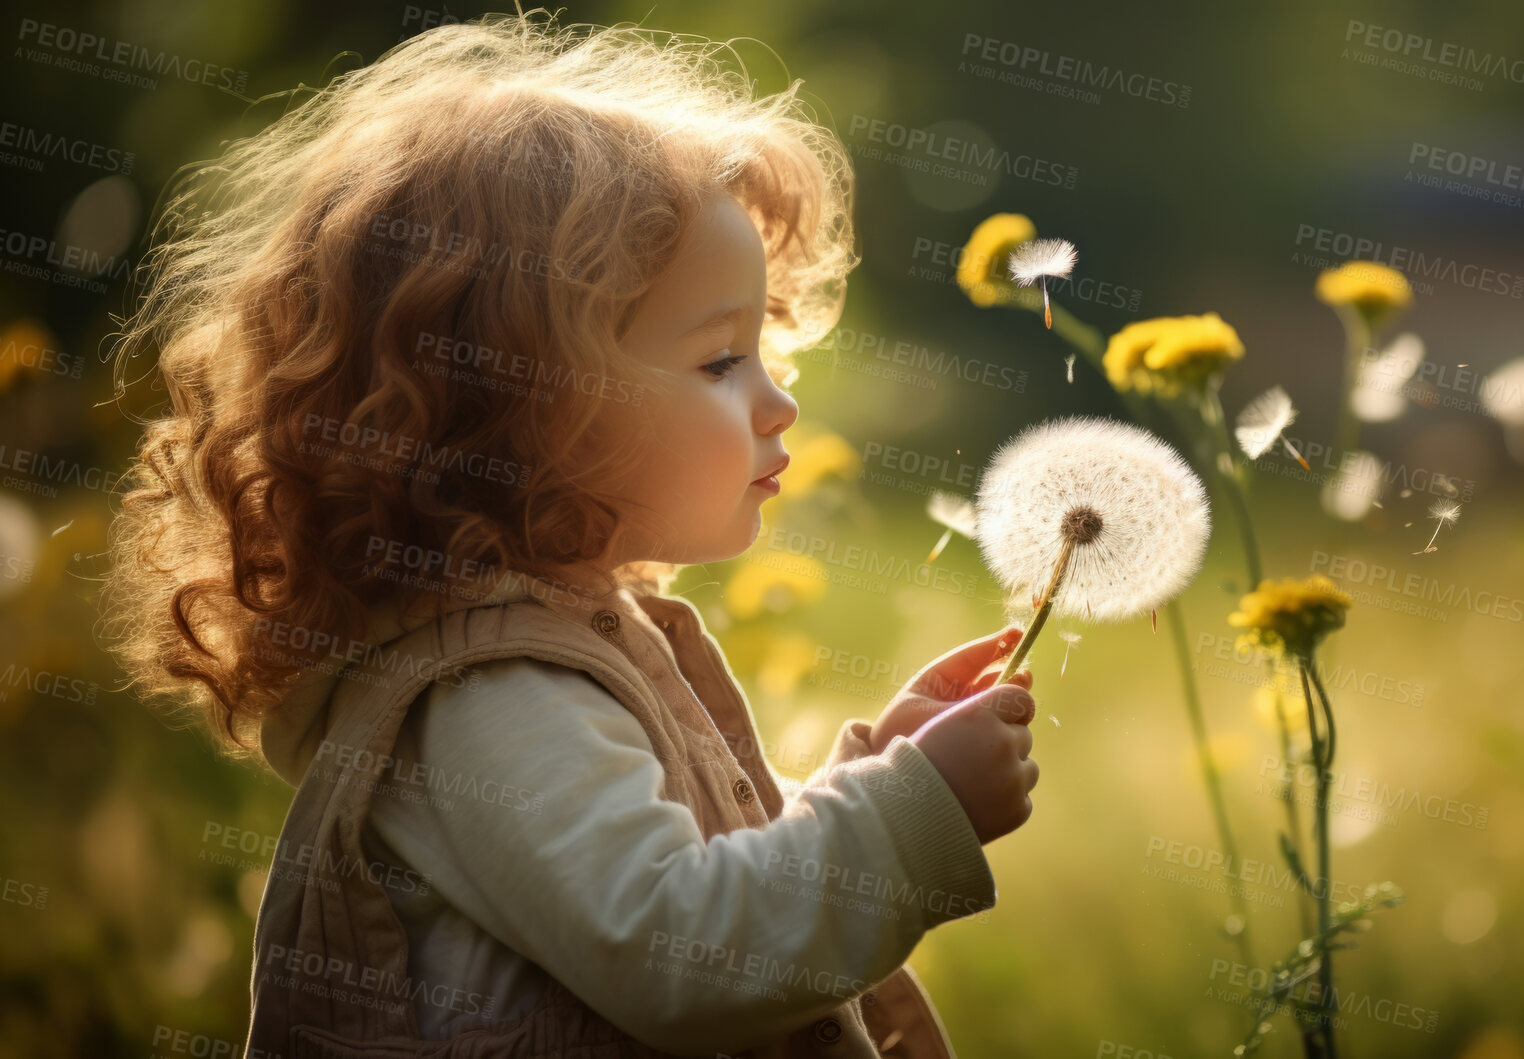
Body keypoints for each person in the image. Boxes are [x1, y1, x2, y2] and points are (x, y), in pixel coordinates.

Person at [100, 12, 1038, 1056]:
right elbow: (681, 955)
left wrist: (875, 775)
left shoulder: (562, 650)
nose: (777, 404)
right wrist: (908, 821)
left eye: (765, 347)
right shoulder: (491, 699)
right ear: (518, 403)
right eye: (720, 362)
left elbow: (688, 888)